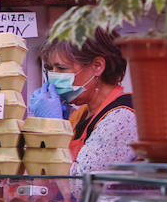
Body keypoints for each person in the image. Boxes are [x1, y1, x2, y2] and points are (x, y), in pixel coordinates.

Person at [40, 29, 137, 178]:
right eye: (50, 69)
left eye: (62, 68)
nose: (53, 77)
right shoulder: (81, 115)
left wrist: (53, 128)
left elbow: (80, 185)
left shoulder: (122, 117)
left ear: (97, 66)